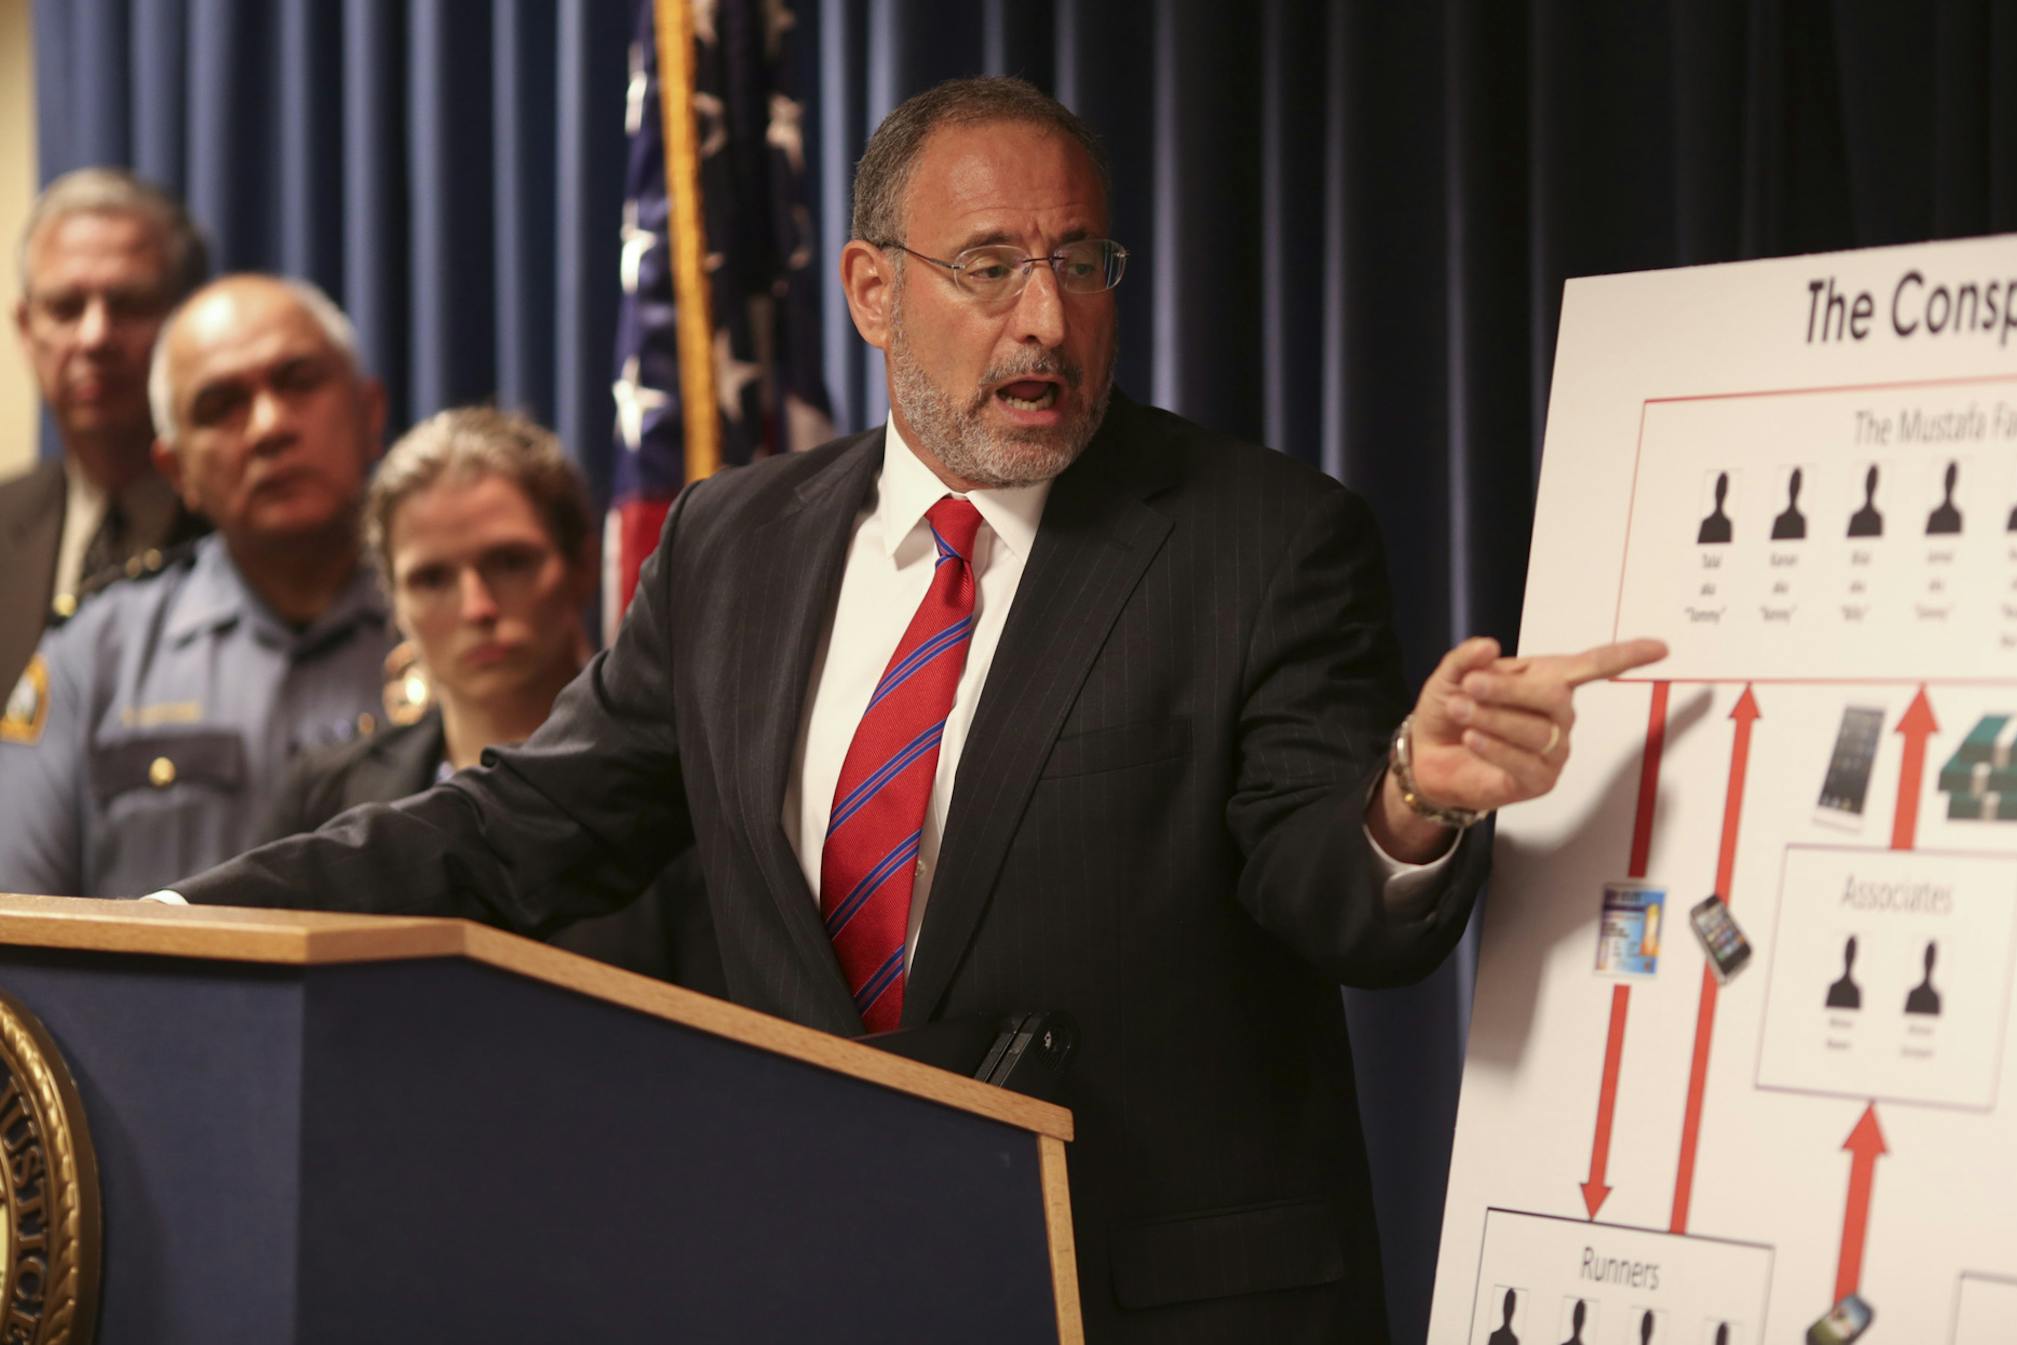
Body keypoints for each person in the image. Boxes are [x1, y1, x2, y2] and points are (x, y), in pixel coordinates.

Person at [167, 79, 1663, 1342]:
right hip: (826, 1288)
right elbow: (517, 829)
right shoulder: (730, 545)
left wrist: (1412, 797)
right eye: (994, 264)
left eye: (1084, 264)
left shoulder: (1260, 537)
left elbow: (1329, 890)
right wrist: (176, 919)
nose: (1048, 321)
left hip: (1151, 1299)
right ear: (875, 288)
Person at [261, 405, 724, 992]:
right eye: (432, 579)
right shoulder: (322, 796)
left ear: (582, 566)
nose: (476, 608)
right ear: (393, 604)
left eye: (509, 562)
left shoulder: (682, 793)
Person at [0, 274, 396, 898]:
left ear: (370, 414)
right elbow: (16, 932)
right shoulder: (94, 655)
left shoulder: (470, 624)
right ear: (176, 469)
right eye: (221, 407)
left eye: (297, 382)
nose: (269, 427)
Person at [2, 168, 212, 687]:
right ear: (27, 331)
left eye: (130, 305)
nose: (95, 337)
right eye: (65, 308)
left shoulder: (252, 527)